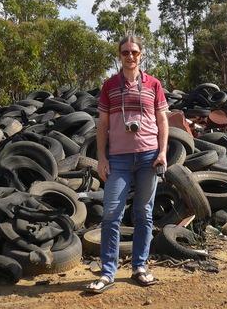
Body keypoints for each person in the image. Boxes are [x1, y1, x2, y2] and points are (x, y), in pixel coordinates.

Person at [85, 35, 169, 294]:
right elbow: (102, 125)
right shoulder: (109, 85)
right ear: (119, 56)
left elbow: (163, 121)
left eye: (134, 52)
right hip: (119, 159)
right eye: (125, 52)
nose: (129, 56)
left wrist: (163, 153)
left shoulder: (153, 84)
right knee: (112, 215)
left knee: (144, 213)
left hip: (148, 156)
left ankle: (139, 267)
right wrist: (102, 158)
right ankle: (108, 272)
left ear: (141, 54)